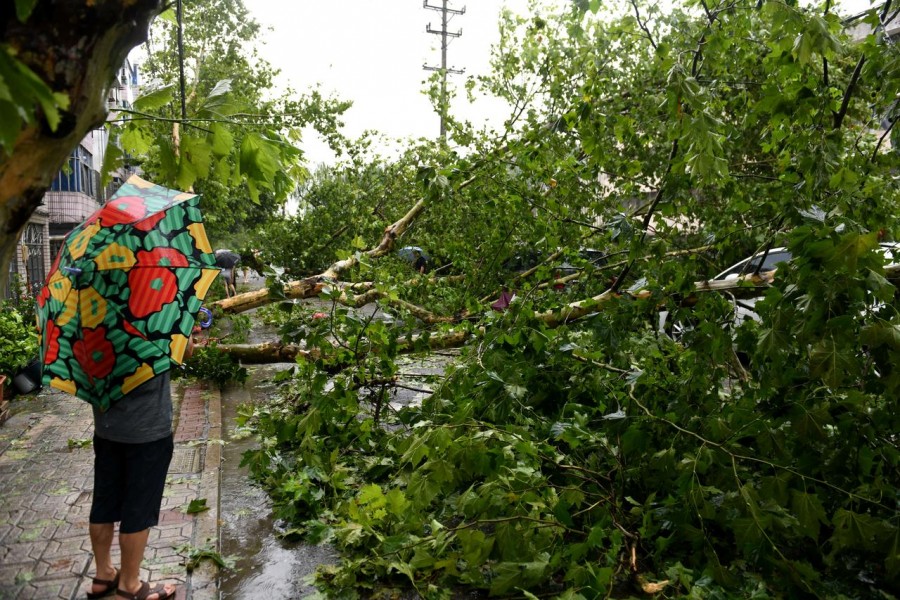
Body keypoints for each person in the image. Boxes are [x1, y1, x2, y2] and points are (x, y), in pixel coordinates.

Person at [85, 336, 194, 600]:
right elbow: (184, 352)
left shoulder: (91, 309)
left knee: (104, 501)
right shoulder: (154, 307)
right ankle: (130, 585)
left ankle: (103, 575)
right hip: (147, 429)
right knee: (138, 507)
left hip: (106, 424)